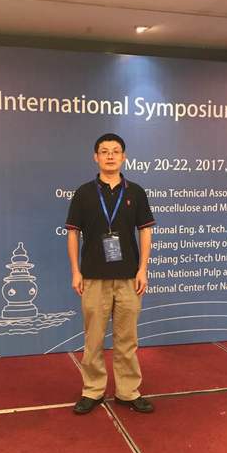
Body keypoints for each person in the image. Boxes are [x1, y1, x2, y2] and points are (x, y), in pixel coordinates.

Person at [65, 133, 156, 415]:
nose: (110, 156)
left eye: (115, 151)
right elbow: (72, 234)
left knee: (127, 339)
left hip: (129, 277)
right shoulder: (84, 193)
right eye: (104, 151)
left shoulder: (135, 192)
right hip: (93, 277)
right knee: (93, 340)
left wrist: (143, 269)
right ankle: (92, 390)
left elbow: (145, 231)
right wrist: (76, 271)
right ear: (96, 157)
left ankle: (128, 392)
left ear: (124, 157)